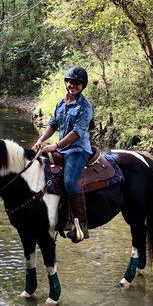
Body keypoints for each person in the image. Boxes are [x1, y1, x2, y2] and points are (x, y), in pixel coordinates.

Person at [32, 66, 94, 243]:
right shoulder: (60, 103)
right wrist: (40, 140)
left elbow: (76, 133)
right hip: (61, 149)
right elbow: (53, 125)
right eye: (70, 81)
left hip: (78, 149)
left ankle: (81, 226)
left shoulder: (85, 107)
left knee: (69, 181)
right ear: (66, 82)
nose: (72, 85)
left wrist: (55, 146)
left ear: (82, 85)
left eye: (77, 83)